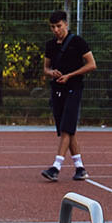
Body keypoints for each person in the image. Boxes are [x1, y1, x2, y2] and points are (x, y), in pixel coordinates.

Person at [40, 10, 96, 182]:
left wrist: (70, 75)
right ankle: (80, 168)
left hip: (74, 88)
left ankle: (56, 167)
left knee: (66, 127)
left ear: (66, 24)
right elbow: (45, 68)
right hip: (57, 90)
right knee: (67, 130)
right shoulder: (50, 45)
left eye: (58, 26)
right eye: (52, 27)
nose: (56, 30)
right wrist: (51, 73)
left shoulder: (78, 42)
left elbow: (92, 64)